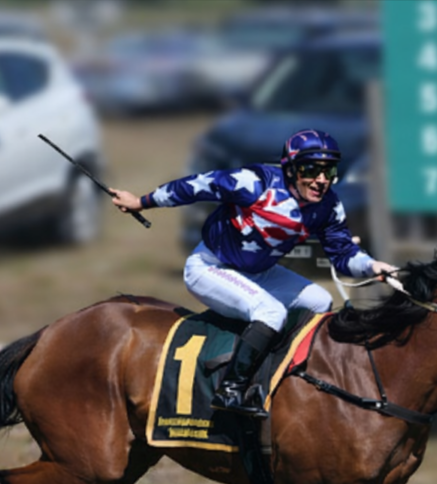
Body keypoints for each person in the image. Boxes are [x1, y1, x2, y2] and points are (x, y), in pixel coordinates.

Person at [110, 128, 392, 419]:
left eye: (328, 170)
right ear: (292, 168)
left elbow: (343, 255)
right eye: (311, 169)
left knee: (320, 301)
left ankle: (285, 372)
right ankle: (230, 390)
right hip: (210, 267)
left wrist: (374, 266)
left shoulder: (329, 205)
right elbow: (195, 186)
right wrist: (141, 202)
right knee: (271, 312)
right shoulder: (255, 183)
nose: (321, 180)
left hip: (260, 272)